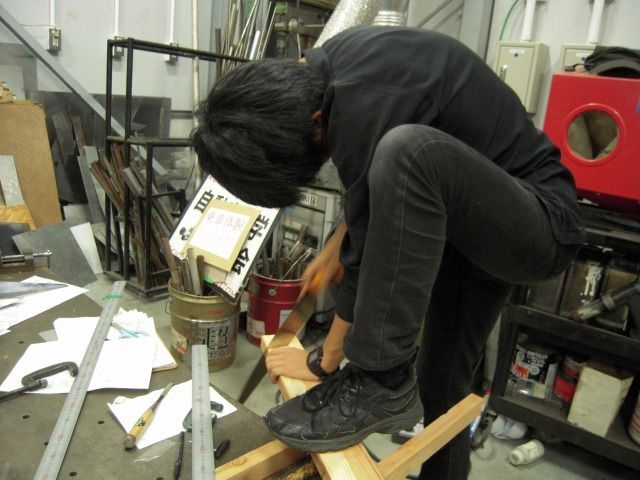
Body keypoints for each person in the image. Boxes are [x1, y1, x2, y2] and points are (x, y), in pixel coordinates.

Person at [192, 26, 585, 479]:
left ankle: (380, 380)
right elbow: (370, 194)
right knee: (442, 386)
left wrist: (324, 361)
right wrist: (337, 245)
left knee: (409, 151)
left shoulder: (360, 100)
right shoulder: (331, 72)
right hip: (470, 221)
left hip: (541, 224)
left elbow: (368, 245)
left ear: (314, 121)